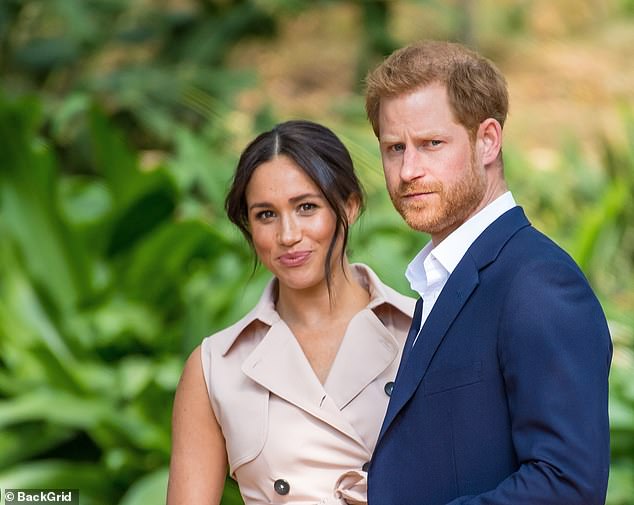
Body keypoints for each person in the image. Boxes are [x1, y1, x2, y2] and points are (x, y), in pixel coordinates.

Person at [363, 41, 612, 505]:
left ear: (488, 140)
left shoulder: (537, 284)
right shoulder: (441, 279)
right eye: (394, 148)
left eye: (431, 144)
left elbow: (568, 486)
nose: (408, 170)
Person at [166, 119, 415, 505]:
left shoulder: (423, 332)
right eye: (266, 214)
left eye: (306, 207)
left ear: (349, 207)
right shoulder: (215, 367)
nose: (288, 235)